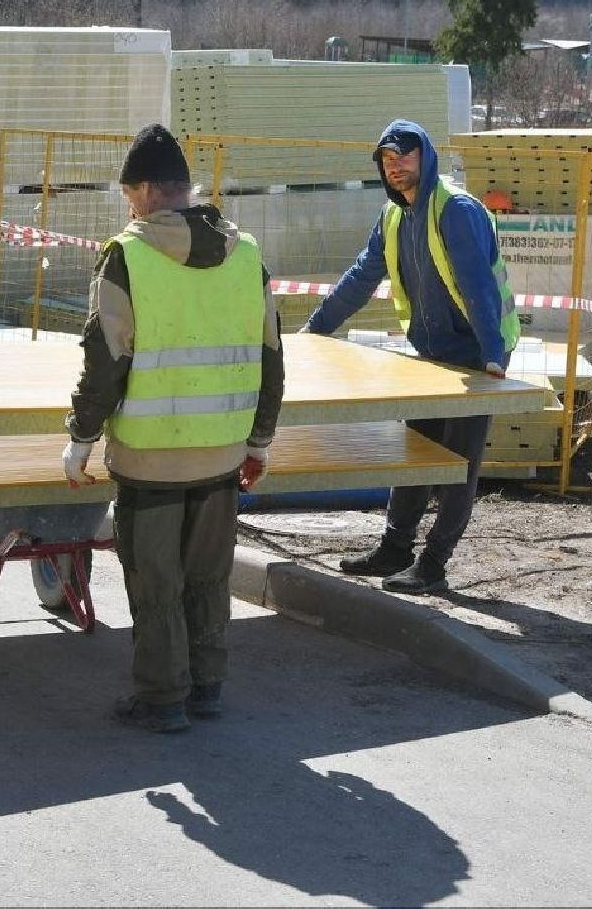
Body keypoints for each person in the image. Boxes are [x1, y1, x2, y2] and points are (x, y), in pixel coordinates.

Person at [63, 124, 284, 734]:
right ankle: (207, 686)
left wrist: (81, 438)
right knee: (208, 574)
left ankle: (163, 697)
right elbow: (271, 357)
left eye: (130, 193)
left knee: (156, 581)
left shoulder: (127, 257)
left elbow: (105, 360)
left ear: (150, 190)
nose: (128, 206)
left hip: (149, 458)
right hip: (222, 455)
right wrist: (260, 440)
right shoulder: (246, 255)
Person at [304, 119, 520, 596]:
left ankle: (434, 562)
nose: (395, 166)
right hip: (430, 356)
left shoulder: (456, 210)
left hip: (473, 358)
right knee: (415, 454)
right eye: (386, 159)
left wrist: (492, 355)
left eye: (404, 155)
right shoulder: (393, 216)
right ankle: (396, 548)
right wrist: (314, 331)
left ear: (425, 155)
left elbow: (478, 288)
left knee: (457, 465)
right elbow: (362, 276)